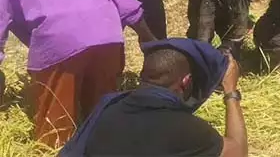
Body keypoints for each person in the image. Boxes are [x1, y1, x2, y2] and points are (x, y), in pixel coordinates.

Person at [0, 0, 155, 148]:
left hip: (59, 43)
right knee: (102, 113)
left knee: (55, 131)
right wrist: (150, 40)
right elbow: (126, 3)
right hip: (108, 36)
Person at [60, 38, 248, 157]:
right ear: (186, 81)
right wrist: (231, 91)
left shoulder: (107, 108)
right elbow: (238, 152)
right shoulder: (187, 129)